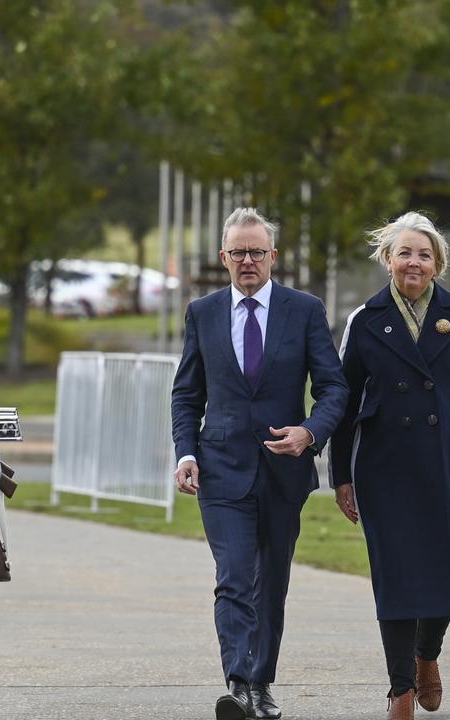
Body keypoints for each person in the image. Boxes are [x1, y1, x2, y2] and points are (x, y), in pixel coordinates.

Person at [170, 207, 347, 720]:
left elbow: (334, 387)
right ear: (223, 257)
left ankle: (260, 683)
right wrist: (186, 452)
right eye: (238, 252)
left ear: (273, 256)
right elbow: (187, 395)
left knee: (271, 582)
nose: (248, 261)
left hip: (282, 470)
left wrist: (310, 432)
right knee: (233, 576)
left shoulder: (305, 309)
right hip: (220, 468)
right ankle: (239, 682)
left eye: (257, 251)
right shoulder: (202, 313)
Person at [329, 211, 450, 720]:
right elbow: (341, 405)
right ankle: (400, 690)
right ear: (388, 259)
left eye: (424, 254)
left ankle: (428, 656)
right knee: (398, 579)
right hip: (384, 472)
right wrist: (341, 476)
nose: (414, 261)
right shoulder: (364, 321)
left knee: (446, 573)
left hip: (449, 466)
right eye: (404, 252)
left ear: (437, 264)